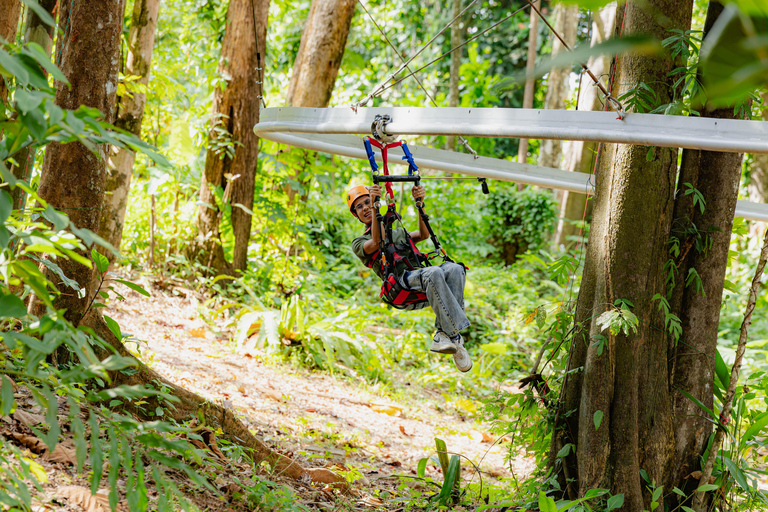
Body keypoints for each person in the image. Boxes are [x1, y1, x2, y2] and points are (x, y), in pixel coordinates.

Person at [347, 183, 473, 372]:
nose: (365, 207)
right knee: (434, 272)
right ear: (355, 215)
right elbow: (378, 241)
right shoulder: (359, 243)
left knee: (456, 269)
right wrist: (375, 207)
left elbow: (423, 234)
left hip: (423, 281)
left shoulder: (398, 232)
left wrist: (419, 203)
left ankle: (448, 335)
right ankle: (454, 336)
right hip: (400, 286)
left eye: (367, 202)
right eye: (360, 206)